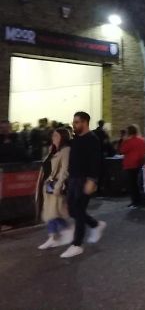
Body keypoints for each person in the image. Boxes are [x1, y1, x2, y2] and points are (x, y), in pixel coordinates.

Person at [60, 111, 106, 259]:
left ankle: (77, 244)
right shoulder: (76, 139)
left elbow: (96, 161)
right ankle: (95, 224)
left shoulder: (92, 139)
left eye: (77, 122)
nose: (74, 124)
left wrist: (92, 180)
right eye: (74, 122)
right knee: (72, 210)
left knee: (78, 210)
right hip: (73, 179)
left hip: (84, 179)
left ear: (85, 122)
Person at [37, 128, 73, 250]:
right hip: (47, 186)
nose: (53, 138)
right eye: (53, 136)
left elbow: (65, 170)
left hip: (55, 186)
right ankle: (63, 232)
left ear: (62, 137)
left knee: (52, 214)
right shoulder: (52, 150)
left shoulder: (66, 150)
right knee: (51, 213)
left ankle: (56, 236)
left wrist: (58, 186)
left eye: (56, 136)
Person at [120, 125, 145, 208]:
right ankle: (139, 201)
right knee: (138, 184)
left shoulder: (128, 141)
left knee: (132, 185)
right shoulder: (142, 140)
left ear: (129, 132)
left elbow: (122, 150)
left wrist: (124, 141)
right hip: (140, 163)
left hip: (130, 165)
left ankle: (135, 202)